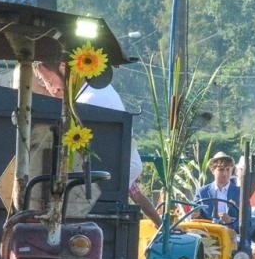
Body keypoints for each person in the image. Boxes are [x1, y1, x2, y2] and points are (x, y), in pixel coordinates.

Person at [29, 59, 160, 223]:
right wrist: (159, 222)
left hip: (94, 198)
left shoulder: (88, 103)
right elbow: (132, 188)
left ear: (63, 68)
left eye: (47, 81)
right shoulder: (98, 91)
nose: (51, 89)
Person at [194, 151, 242, 224]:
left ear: (232, 170)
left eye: (228, 169)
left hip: (232, 234)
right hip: (208, 233)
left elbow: (247, 223)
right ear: (213, 170)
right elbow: (194, 215)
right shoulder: (202, 192)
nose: (225, 173)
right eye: (221, 169)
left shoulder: (241, 193)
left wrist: (230, 222)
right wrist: (194, 214)